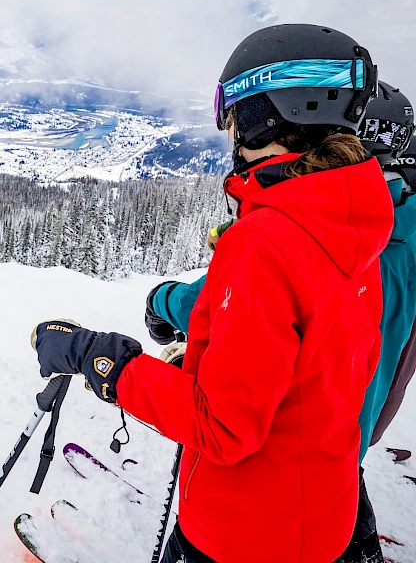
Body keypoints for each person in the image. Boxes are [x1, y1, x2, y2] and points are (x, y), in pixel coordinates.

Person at [31, 24, 392, 563]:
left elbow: (222, 429)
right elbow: (321, 374)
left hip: (243, 533)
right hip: (321, 520)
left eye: (232, 113)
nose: (230, 133)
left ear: (266, 112)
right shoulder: (354, 227)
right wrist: (208, 366)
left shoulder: (263, 243)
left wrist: (102, 359)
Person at [146, 82, 416, 563]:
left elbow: (224, 423)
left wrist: (154, 312)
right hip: (340, 451)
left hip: (272, 485)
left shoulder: (329, 242)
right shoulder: (374, 231)